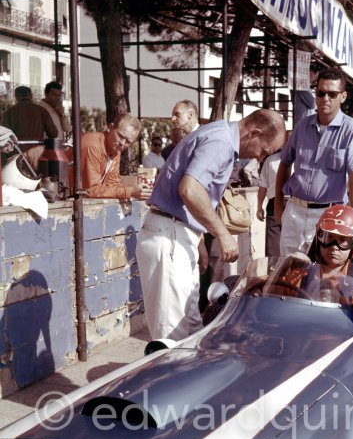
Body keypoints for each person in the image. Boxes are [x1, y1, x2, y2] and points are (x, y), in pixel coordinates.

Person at [136, 108, 287, 342]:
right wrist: (223, 234)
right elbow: (190, 189)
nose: (259, 158)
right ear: (254, 133)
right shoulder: (221, 142)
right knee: (172, 333)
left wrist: (199, 241)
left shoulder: (218, 135)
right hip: (169, 236)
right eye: (263, 151)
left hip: (177, 233)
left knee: (191, 326)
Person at [275, 68, 353, 256]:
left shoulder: (351, 130)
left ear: (343, 96)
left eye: (332, 94)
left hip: (329, 215)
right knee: (286, 271)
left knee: (319, 276)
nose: (325, 98)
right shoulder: (302, 125)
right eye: (321, 93)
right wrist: (278, 205)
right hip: (294, 212)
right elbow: (285, 163)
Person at [273, 204, 353, 307]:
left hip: (346, 331)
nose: (334, 246)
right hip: (305, 328)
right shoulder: (301, 273)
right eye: (328, 237)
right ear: (318, 237)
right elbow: (274, 299)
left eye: (343, 240)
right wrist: (279, 271)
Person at [81, 112, 153, 200]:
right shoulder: (92, 146)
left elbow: (112, 183)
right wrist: (130, 191)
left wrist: (140, 190)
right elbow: (91, 190)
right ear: (110, 127)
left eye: (128, 142)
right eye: (120, 136)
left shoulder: (115, 149)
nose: (122, 143)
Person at [1, 85, 58, 170]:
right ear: (31, 96)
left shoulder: (9, 112)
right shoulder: (42, 111)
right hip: (38, 152)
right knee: (38, 180)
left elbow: (4, 136)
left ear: (16, 96)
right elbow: (53, 133)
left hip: (16, 154)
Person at [257, 130, 291, 257]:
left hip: (296, 205)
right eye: (287, 140)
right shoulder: (270, 161)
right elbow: (263, 185)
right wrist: (259, 207)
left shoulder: (302, 161)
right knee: (273, 247)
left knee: (293, 246)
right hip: (273, 205)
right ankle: (273, 273)